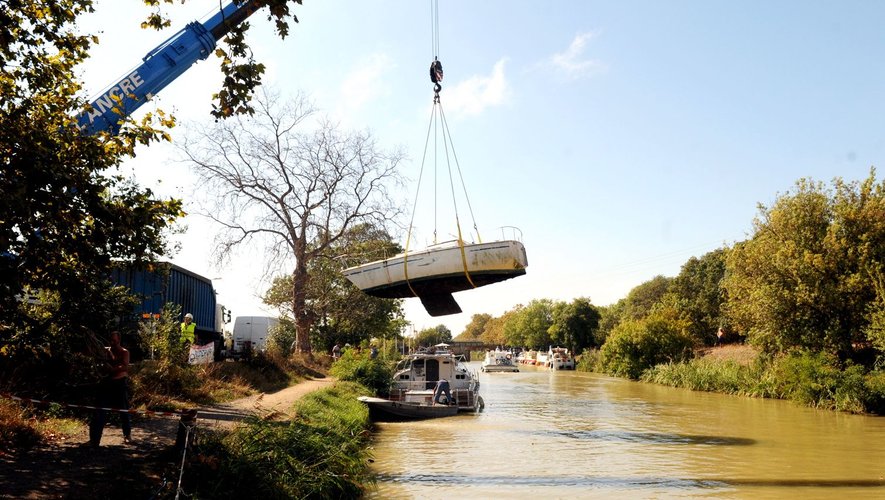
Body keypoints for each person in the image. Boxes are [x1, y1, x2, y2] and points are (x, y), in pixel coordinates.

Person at [89, 331, 132, 446]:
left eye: (114, 340)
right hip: (107, 382)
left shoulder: (124, 352)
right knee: (100, 409)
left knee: (124, 410)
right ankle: (94, 439)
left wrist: (112, 369)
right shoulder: (106, 351)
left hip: (120, 383)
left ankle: (127, 435)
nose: (112, 342)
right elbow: (96, 353)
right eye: (111, 340)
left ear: (119, 340)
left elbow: (125, 366)